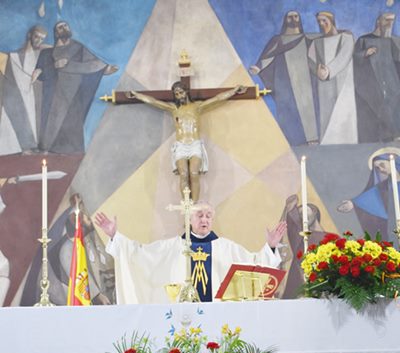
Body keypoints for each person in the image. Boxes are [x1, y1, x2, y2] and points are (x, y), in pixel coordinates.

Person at [95, 204, 286, 304]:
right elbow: (139, 255)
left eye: (208, 215)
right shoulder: (172, 247)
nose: (204, 219)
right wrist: (115, 236)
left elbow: (254, 266)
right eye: (199, 215)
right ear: (190, 218)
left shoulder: (227, 248)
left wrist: (269, 247)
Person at [127, 82, 247, 202]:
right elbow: (154, 101)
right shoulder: (174, 109)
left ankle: (194, 206)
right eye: (177, 94)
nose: (179, 95)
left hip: (194, 144)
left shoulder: (197, 107)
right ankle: (186, 207)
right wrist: (137, 95)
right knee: (183, 174)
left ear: (186, 92)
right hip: (181, 146)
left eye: (181, 92)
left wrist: (234, 90)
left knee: (194, 173)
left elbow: (217, 98)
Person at [32, 21, 118, 154]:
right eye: (60, 27)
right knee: (51, 119)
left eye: (65, 25)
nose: (64, 28)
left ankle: (68, 153)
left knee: (71, 121)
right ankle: (46, 149)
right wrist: (39, 70)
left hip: (74, 92)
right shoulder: (49, 52)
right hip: (54, 92)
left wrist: (103, 68)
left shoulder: (79, 47)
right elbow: (44, 74)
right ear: (56, 33)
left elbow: (93, 64)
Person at [249, 11, 318, 146]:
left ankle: (312, 139)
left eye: (296, 16)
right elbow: (268, 56)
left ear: (299, 19)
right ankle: (292, 141)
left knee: (308, 109)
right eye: (290, 17)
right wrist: (258, 67)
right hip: (286, 80)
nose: (293, 19)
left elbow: (323, 42)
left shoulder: (307, 38)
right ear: (286, 20)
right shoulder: (278, 39)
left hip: (305, 80)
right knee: (287, 110)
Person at [308, 11, 357, 144]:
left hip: (344, 82)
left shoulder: (346, 37)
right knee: (326, 115)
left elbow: (344, 56)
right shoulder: (316, 42)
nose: (322, 24)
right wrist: (317, 71)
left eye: (324, 20)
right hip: (323, 85)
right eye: (319, 22)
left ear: (332, 20)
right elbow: (310, 60)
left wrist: (329, 70)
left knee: (344, 111)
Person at [0, 25, 48, 155]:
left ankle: (30, 146)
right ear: (29, 35)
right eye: (36, 36)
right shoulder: (14, 55)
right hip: (16, 94)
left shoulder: (40, 55)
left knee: (33, 118)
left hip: (31, 95)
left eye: (42, 39)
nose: (38, 41)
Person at [354, 13, 400, 143]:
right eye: (386, 20)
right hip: (371, 87)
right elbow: (354, 60)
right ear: (378, 21)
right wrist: (365, 53)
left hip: (392, 86)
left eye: (392, 20)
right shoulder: (364, 39)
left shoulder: (393, 41)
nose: (389, 23)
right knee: (374, 114)